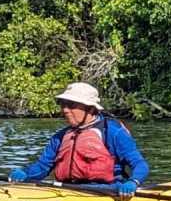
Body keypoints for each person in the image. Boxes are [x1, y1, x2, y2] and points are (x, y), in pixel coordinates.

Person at [9, 82, 149, 193]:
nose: (65, 109)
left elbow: (140, 164)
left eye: (71, 105)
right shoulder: (60, 137)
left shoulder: (113, 132)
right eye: (62, 104)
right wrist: (25, 173)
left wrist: (133, 181)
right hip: (66, 189)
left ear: (91, 108)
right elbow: (42, 167)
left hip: (104, 190)